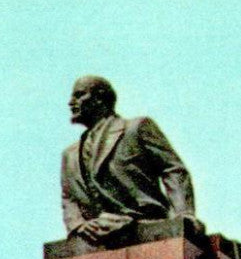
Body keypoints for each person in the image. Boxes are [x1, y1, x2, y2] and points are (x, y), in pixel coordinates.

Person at [61, 76, 201, 245]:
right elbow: (68, 196)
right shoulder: (70, 155)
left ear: (100, 98)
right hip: (95, 235)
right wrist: (77, 225)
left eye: (79, 95)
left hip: (143, 223)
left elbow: (172, 169)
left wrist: (183, 214)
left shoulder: (136, 128)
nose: (71, 102)